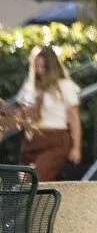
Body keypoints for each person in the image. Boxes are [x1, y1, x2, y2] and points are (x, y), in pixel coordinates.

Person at [17, 45, 82, 182]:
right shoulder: (30, 87)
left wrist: (76, 147)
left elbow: (74, 118)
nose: (40, 70)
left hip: (55, 140)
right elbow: (21, 113)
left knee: (34, 179)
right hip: (32, 141)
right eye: (37, 66)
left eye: (44, 67)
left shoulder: (64, 86)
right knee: (30, 183)